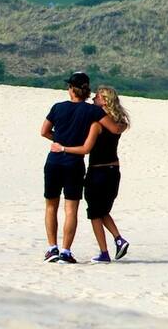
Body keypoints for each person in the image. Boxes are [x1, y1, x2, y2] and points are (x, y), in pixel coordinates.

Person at [52, 85, 132, 263]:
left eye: (97, 97)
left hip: (97, 171)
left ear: (104, 101)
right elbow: (118, 128)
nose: (93, 99)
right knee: (101, 210)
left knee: (94, 212)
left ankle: (107, 250)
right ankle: (117, 241)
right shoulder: (119, 123)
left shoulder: (96, 125)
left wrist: (63, 148)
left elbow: (85, 149)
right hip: (114, 171)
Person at [38, 72, 104, 264]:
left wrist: (60, 139)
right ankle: (66, 251)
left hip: (54, 160)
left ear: (71, 89)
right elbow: (114, 126)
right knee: (71, 208)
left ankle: (52, 248)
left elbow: (44, 131)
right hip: (74, 163)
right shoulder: (92, 111)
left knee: (51, 205)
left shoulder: (58, 107)